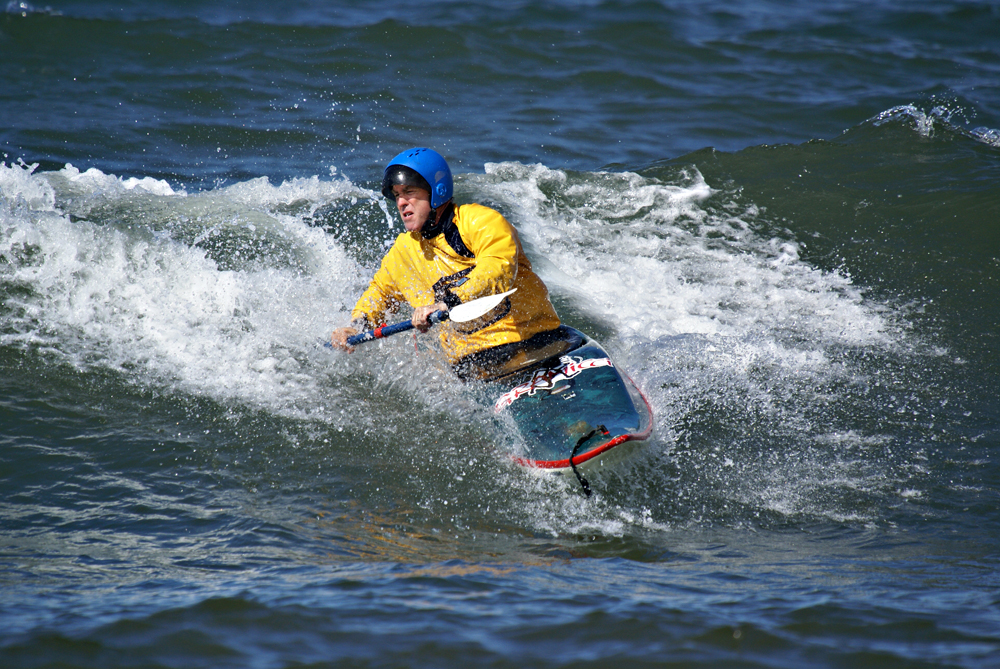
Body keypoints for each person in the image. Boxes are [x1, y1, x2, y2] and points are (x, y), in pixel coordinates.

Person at [330, 147, 577, 380]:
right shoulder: (402, 254)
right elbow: (378, 296)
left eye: (410, 192)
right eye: (397, 196)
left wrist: (446, 302)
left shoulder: (480, 222)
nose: (402, 203)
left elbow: (497, 269)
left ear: (435, 190)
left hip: (536, 342)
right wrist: (356, 328)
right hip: (473, 367)